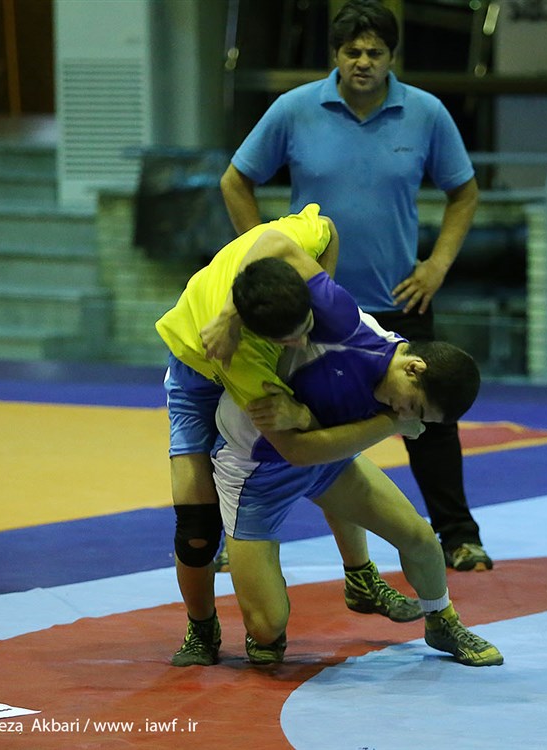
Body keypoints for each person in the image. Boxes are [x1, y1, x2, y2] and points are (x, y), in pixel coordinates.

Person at [219, 0, 493, 572]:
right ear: (335, 55)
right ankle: (237, 535)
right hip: (309, 310)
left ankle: (459, 536)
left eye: (375, 52)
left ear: (392, 57)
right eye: (352, 51)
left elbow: (464, 192)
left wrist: (437, 266)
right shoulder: (295, 109)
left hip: (397, 299)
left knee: (428, 418)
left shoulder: (425, 113)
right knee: (270, 417)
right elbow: (235, 180)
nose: (363, 61)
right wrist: (263, 266)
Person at [156, 203, 425, 668]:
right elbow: (294, 448)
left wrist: (322, 288)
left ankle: (360, 575)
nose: (303, 343)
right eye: (290, 340)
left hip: (241, 321)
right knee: (197, 528)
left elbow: (319, 231)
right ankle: (201, 627)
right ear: (261, 334)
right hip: (200, 374)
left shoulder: (295, 258)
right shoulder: (245, 358)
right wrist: (385, 423)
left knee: (332, 441)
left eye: (307, 326)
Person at [211, 257, 502, 667]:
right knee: (266, 629)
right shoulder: (345, 326)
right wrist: (229, 315)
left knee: (420, 538)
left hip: (326, 461)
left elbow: (325, 446)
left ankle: (442, 621)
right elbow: (297, 452)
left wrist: (307, 417)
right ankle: (212, 619)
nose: (407, 418)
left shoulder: (395, 387)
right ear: (414, 368)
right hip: (257, 469)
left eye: (418, 418)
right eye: (415, 407)